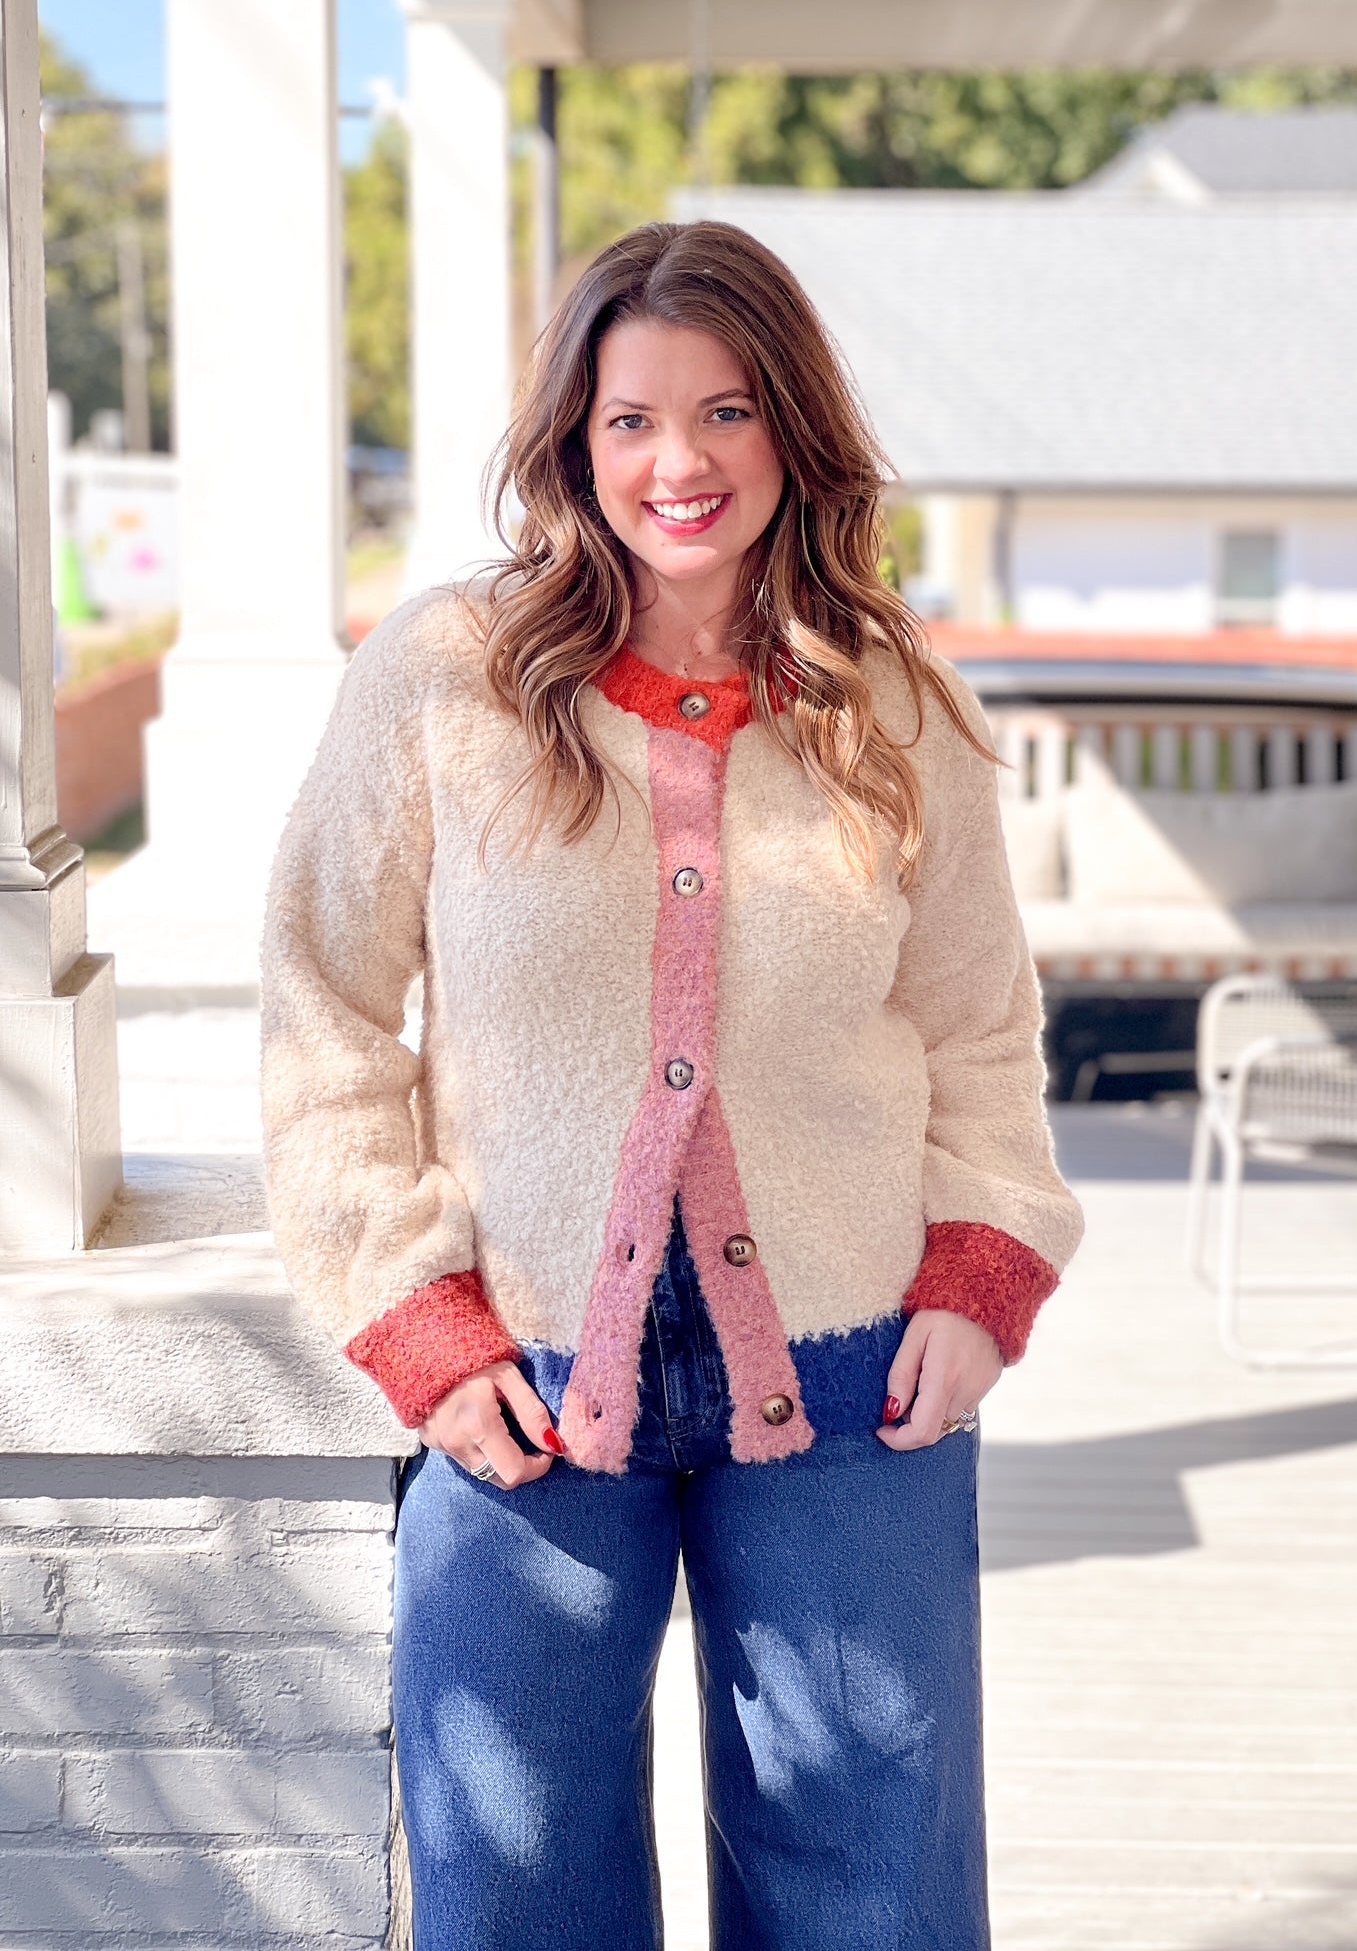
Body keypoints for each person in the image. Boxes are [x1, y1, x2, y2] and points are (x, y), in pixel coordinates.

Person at [259, 219, 1084, 1951]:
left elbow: (977, 1024)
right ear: (575, 442)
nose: (678, 462)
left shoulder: (896, 705)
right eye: (631, 419)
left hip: (858, 1374)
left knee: (876, 1887)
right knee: (516, 1879)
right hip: (526, 1376)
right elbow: (323, 1001)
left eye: (725, 411)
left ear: (792, 427)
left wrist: (983, 1271)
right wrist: (411, 1314)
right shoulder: (446, 679)